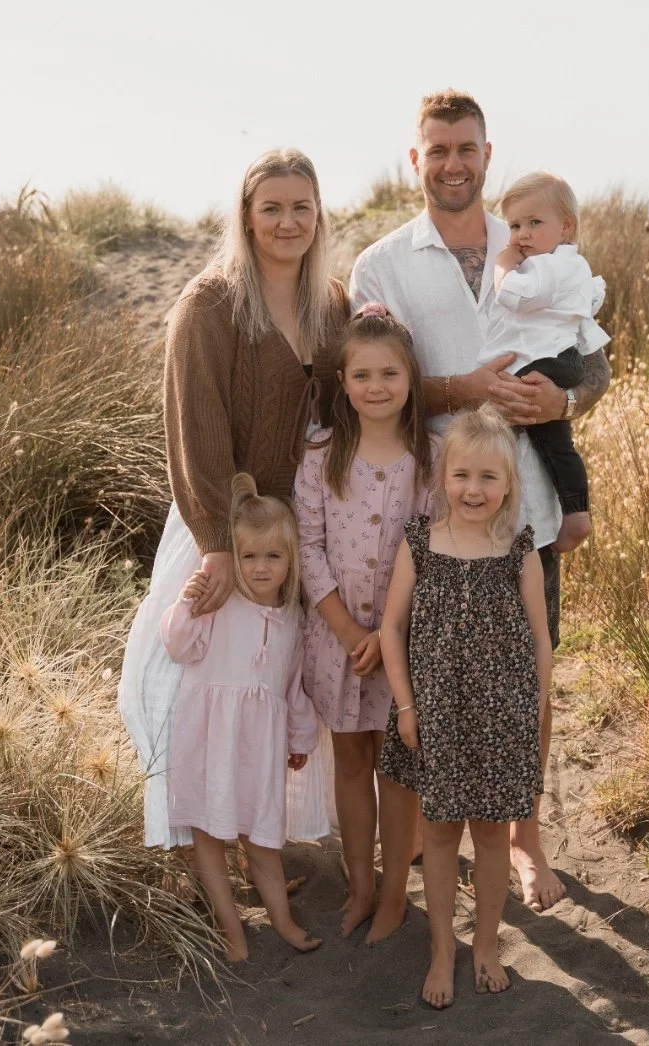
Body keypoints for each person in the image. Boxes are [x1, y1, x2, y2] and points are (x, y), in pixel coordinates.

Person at [349, 88, 611, 913]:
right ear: (415, 159)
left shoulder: (532, 237)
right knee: (437, 682)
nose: (453, 163)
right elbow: (368, 383)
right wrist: (460, 388)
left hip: (524, 507)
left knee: (528, 672)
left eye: (467, 148)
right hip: (428, 513)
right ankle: (442, 840)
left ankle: (526, 840)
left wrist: (567, 406)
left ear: (487, 155)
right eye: (439, 149)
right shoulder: (381, 264)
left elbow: (594, 358)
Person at [118, 148, 350, 852]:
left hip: (305, 536)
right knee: (194, 690)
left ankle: (271, 844)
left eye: (301, 207)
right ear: (246, 217)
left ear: (319, 214)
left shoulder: (333, 304)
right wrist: (218, 543)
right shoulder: (211, 304)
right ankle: (198, 853)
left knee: (279, 690)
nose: (288, 221)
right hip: (228, 533)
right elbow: (196, 425)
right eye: (271, 207)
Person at [379, 408, 553, 1008]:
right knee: (441, 833)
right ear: (442, 478)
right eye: (461, 476)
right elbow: (390, 629)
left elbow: (540, 640)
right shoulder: (421, 543)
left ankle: (485, 945)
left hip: (501, 716)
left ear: (508, 485)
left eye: (487, 478)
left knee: (492, 835)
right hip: (438, 715)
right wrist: (405, 705)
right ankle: (441, 951)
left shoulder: (517, 548)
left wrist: (534, 712)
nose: (473, 489)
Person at [293, 304, 437, 943]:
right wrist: (352, 633)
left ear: (410, 379)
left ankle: (396, 896)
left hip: (406, 638)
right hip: (336, 637)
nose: (376, 387)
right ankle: (358, 885)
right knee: (351, 757)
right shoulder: (321, 454)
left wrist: (390, 634)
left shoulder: (430, 458)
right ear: (343, 382)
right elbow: (307, 545)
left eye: (390, 374)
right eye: (362, 375)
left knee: (398, 765)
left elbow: (436, 546)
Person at [160, 474, 321, 962]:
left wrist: (300, 736)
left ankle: (284, 923)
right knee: (209, 832)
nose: (260, 567)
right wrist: (188, 601)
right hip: (207, 734)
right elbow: (177, 645)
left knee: (260, 837)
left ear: (291, 558)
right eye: (249, 556)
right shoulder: (219, 603)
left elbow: (293, 687)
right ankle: (232, 930)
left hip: (259, 744)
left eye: (273, 556)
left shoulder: (293, 615)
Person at [480, 171, 609, 554]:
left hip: (550, 360)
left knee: (495, 415)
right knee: (554, 441)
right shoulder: (568, 264)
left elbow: (515, 297)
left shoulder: (547, 266)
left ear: (566, 226)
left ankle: (570, 512)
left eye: (535, 223)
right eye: (515, 225)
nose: (521, 234)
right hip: (559, 356)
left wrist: (503, 265)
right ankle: (575, 511)